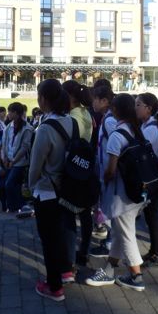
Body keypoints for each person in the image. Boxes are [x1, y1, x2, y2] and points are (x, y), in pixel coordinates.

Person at [85, 93, 146, 291]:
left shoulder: (117, 135)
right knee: (120, 232)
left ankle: (136, 276)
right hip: (137, 192)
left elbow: (110, 171)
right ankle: (109, 269)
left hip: (121, 194)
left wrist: (104, 181)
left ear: (115, 110)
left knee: (126, 234)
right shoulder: (136, 130)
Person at [29, 79, 76, 302]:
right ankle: (65, 271)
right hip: (67, 186)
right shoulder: (71, 121)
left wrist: (30, 186)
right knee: (60, 233)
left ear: (44, 99)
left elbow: (35, 165)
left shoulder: (45, 128)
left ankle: (54, 286)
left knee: (49, 239)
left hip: (47, 189)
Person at [61, 80, 94, 268]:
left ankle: (70, 262)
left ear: (69, 96)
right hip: (85, 167)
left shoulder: (72, 117)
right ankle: (84, 252)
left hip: (73, 170)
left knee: (69, 215)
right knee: (85, 213)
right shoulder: (85, 112)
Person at [135, 92, 158, 268]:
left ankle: (157, 254)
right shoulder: (147, 125)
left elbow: (140, 152)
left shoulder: (151, 129)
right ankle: (155, 251)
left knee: (152, 216)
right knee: (151, 216)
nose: (135, 108)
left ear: (149, 108)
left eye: (138, 104)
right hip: (152, 177)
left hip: (151, 179)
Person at [89, 84, 117, 259]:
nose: (92, 103)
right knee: (108, 208)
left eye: (95, 100)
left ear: (104, 101)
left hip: (110, 173)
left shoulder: (109, 120)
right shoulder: (107, 118)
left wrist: (109, 170)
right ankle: (109, 242)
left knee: (111, 209)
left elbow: (118, 145)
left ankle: (111, 245)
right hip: (106, 171)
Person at [0, 102, 33, 213]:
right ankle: (15, 207)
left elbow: (24, 147)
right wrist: (4, 158)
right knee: (14, 184)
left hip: (20, 162)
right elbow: (4, 144)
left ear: (16, 113)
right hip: (8, 160)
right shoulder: (9, 127)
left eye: (10, 112)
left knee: (9, 184)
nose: (8, 114)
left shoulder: (27, 128)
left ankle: (20, 205)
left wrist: (13, 161)